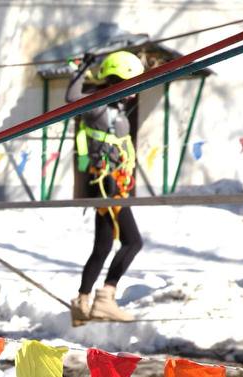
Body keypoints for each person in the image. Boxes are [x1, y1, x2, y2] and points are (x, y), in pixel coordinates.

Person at [66, 49, 146, 325]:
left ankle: (82, 300)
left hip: (113, 186)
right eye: (132, 85)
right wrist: (82, 70)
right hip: (106, 185)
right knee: (133, 241)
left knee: (102, 246)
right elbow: (72, 99)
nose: (136, 92)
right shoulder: (99, 107)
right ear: (117, 81)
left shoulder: (116, 110)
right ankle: (105, 297)